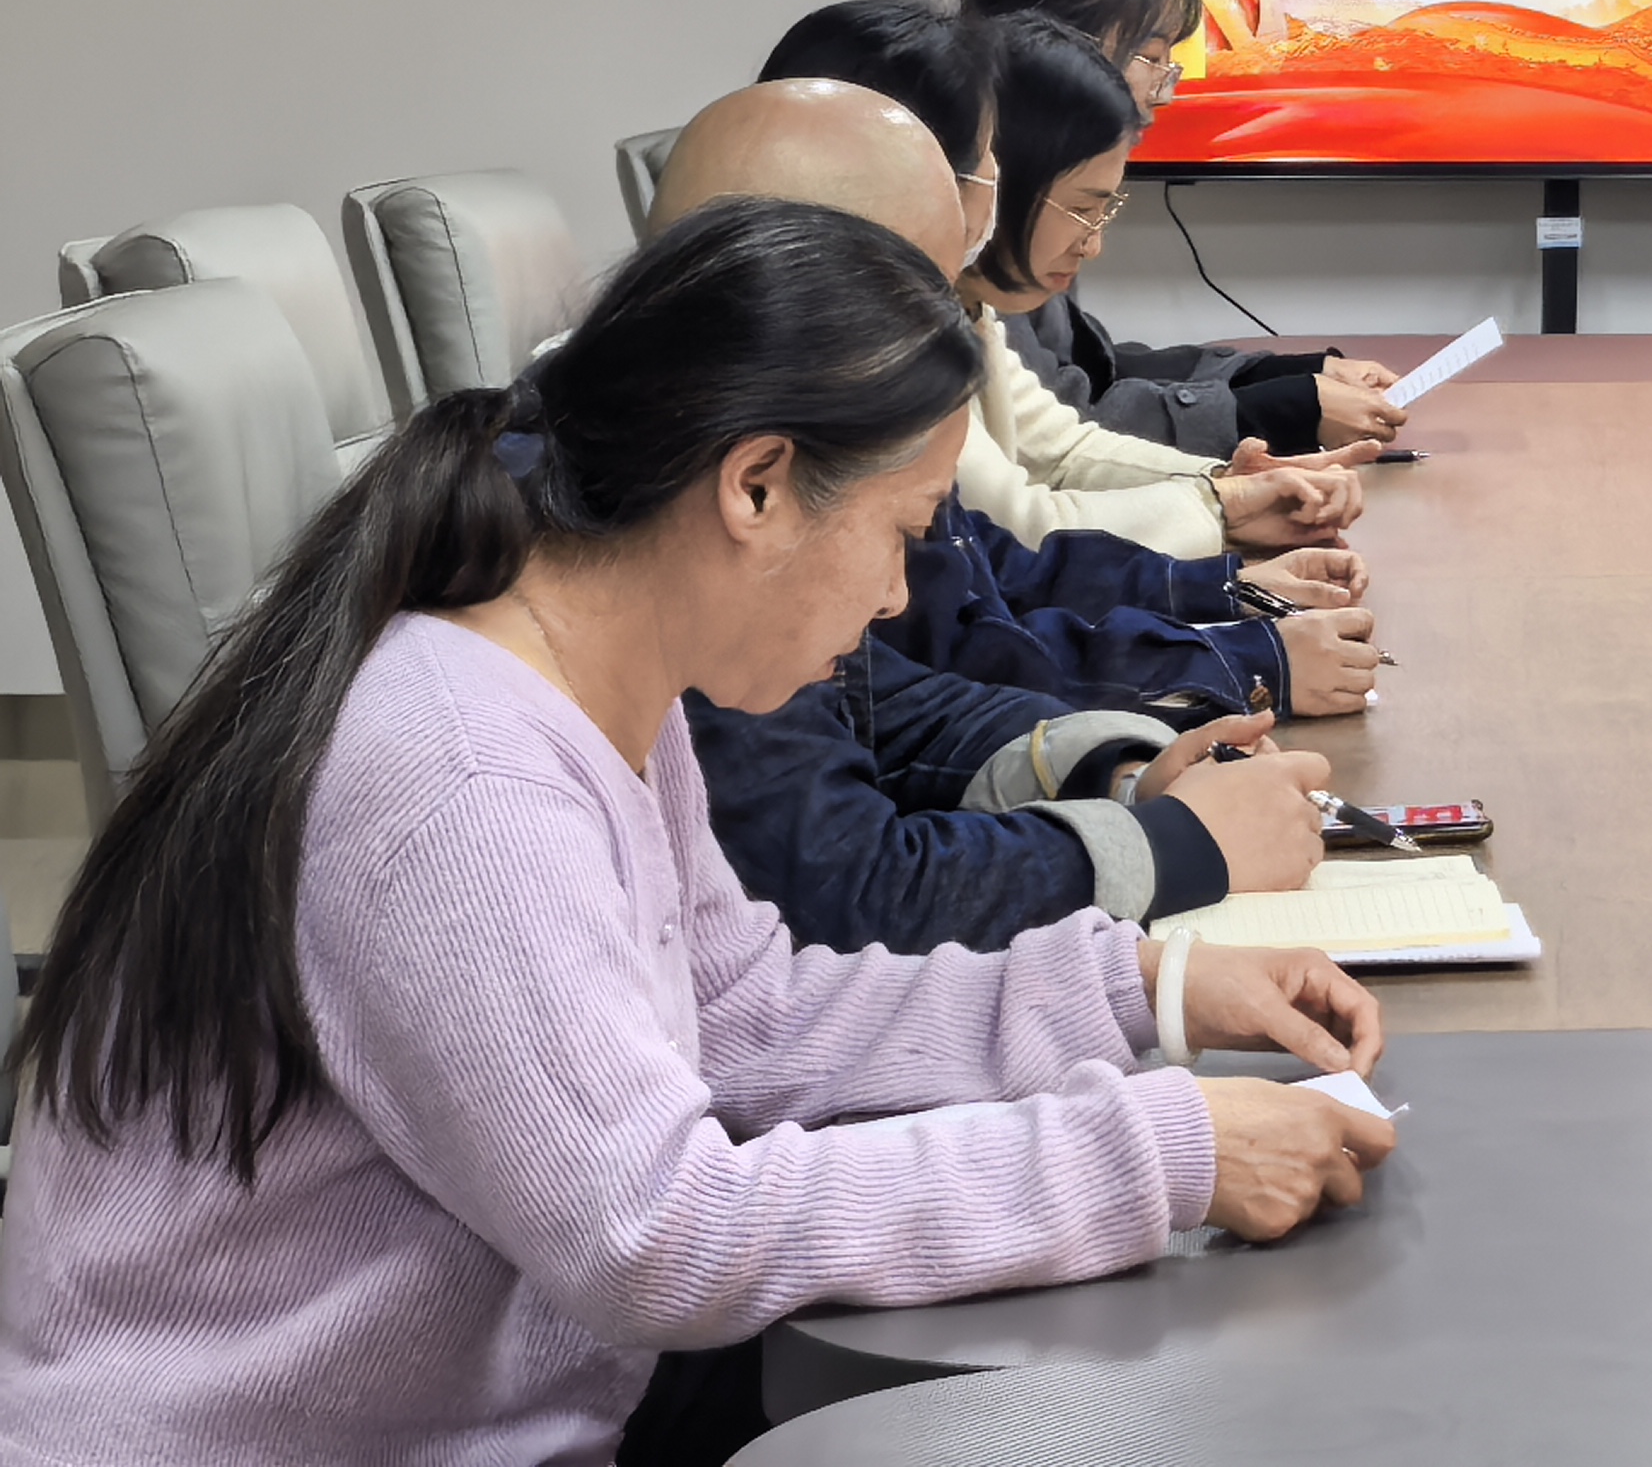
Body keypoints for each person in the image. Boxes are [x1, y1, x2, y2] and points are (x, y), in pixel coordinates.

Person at [0, 198, 1393, 1467]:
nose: (900, 598)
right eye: (902, 532)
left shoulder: (601, 682)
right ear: (756, 486)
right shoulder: (463, 778)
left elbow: (740, 1017)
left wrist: (1139, 990)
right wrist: (1151, 1153)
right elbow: (655, 1235)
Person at [648, 86, 1347, 955]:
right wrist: (1171, 844)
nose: (897, 594)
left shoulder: (714, 465)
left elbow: (894, 705)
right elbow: (844, 897)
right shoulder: (692, 541)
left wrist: (1121, 777)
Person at [660, 80, 1383, 722]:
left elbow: (996, 568)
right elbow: (970, 632)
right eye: (986, 181)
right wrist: (1233, 653)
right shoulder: (832, 412)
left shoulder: (908, 343)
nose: (983, 217)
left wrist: (1224, 553)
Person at [762, 0, 1357, 559]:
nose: (983, 190)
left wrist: (1225, 486)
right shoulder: (855, 338)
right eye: (1150, 57)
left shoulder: (947, 304)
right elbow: (1015, 529)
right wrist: (1222, 505)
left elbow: (1060, 448)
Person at [957, 0, 1404, 464]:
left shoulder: (1011, 178)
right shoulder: (976, 211)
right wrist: (1275, 410)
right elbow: (1063, 434)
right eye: (1153, 58)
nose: (1166, 91)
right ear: (1060, 44)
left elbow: (1096, 371)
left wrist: (1285, 376)